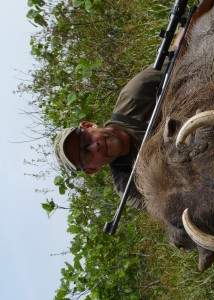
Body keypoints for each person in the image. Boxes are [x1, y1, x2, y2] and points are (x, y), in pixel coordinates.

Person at [54, 30, 183, 209]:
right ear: (92, 170)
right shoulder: (130, 189)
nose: (94, 146)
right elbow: (173, 209)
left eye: (85, 139)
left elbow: (180, 51)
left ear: (89, 125)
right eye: (86, 153)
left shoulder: (135, 95)